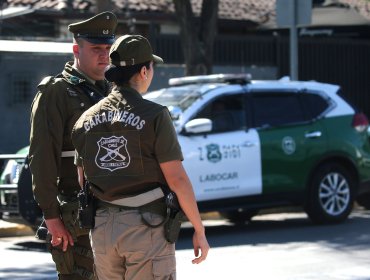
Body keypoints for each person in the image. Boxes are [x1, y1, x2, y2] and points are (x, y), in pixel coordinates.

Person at [71, 34, 210, 279]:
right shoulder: (155, 115)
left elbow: (82, 179)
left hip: (102, 230)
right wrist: (199, 228)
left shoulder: (85, 119)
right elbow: (176, 179)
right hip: (145, 228)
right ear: (144, 72)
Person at [28, 11, 118, 280]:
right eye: (96, 49)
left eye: (108, 49)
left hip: (113, 214)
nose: (104, 55)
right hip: (75, 217)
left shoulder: (113, 91)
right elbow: (42, 157)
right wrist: (51, 217)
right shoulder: (56, 92)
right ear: (77, 50)